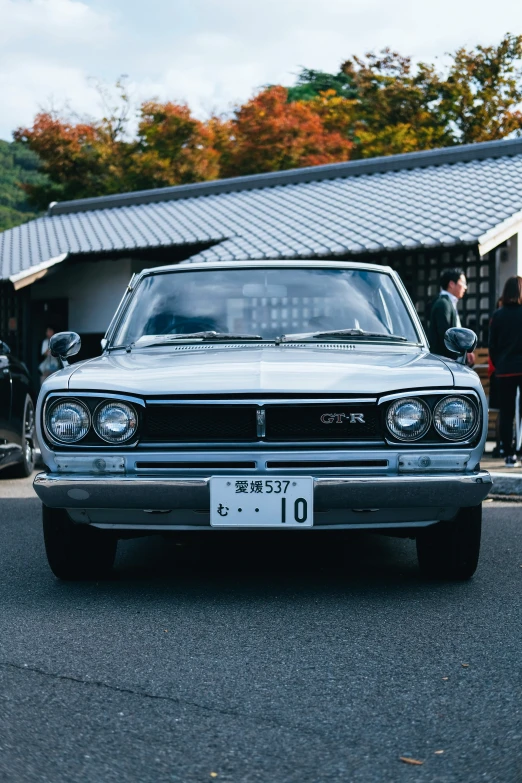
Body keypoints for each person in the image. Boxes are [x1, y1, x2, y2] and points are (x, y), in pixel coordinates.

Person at [489, 276, 522, 467]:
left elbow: (492, 345)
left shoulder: (498, 315)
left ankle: (509, 454)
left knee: (507, 413)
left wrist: (499, 363)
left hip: (504, 370)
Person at [428, 267, 470, 358]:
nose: (465, 287)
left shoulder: (448, 302)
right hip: (445, 361)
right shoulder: (443, 304)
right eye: (463, 283)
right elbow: (445, 336)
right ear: (451, 284)